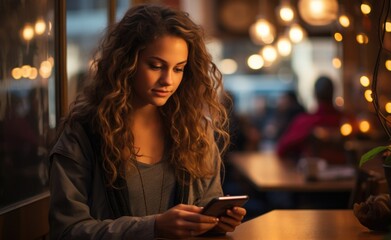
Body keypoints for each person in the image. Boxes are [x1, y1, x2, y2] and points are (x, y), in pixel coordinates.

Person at [48, 4, 246, 239]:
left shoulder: (195, 130)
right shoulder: (83, 133)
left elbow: (204, 205)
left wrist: (214, 222)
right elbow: (67, 230)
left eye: (179, 69)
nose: (168, 80)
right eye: (156, 66)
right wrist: (153, 227)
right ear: (125, 63)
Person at [275, 76, 343, 161]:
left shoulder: (305, 122)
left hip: (313, 171)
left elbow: (281, 149)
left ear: (314, 94)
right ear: (334, 93)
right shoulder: (346, 120)